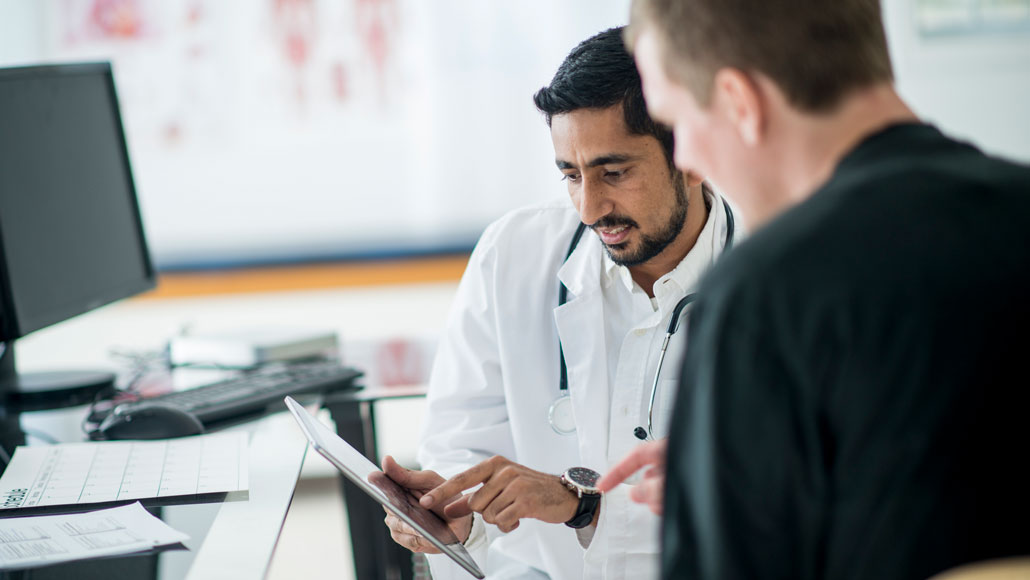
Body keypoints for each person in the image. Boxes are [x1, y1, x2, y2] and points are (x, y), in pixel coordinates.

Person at [600, 1, 1030, 579]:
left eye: (676, 123)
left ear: (739, 101)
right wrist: (773, 457)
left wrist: (728, 486)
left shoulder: (763, 295)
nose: (687, 159)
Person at [381, 27, 737, 579]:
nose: (590, 208)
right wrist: (458, 517)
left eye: (614, 173)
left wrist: (583, 505)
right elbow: (460, 441)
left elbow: (767, 499)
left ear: (692, 154)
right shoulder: (512, 255)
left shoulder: (783, 284)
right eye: (571, 175)